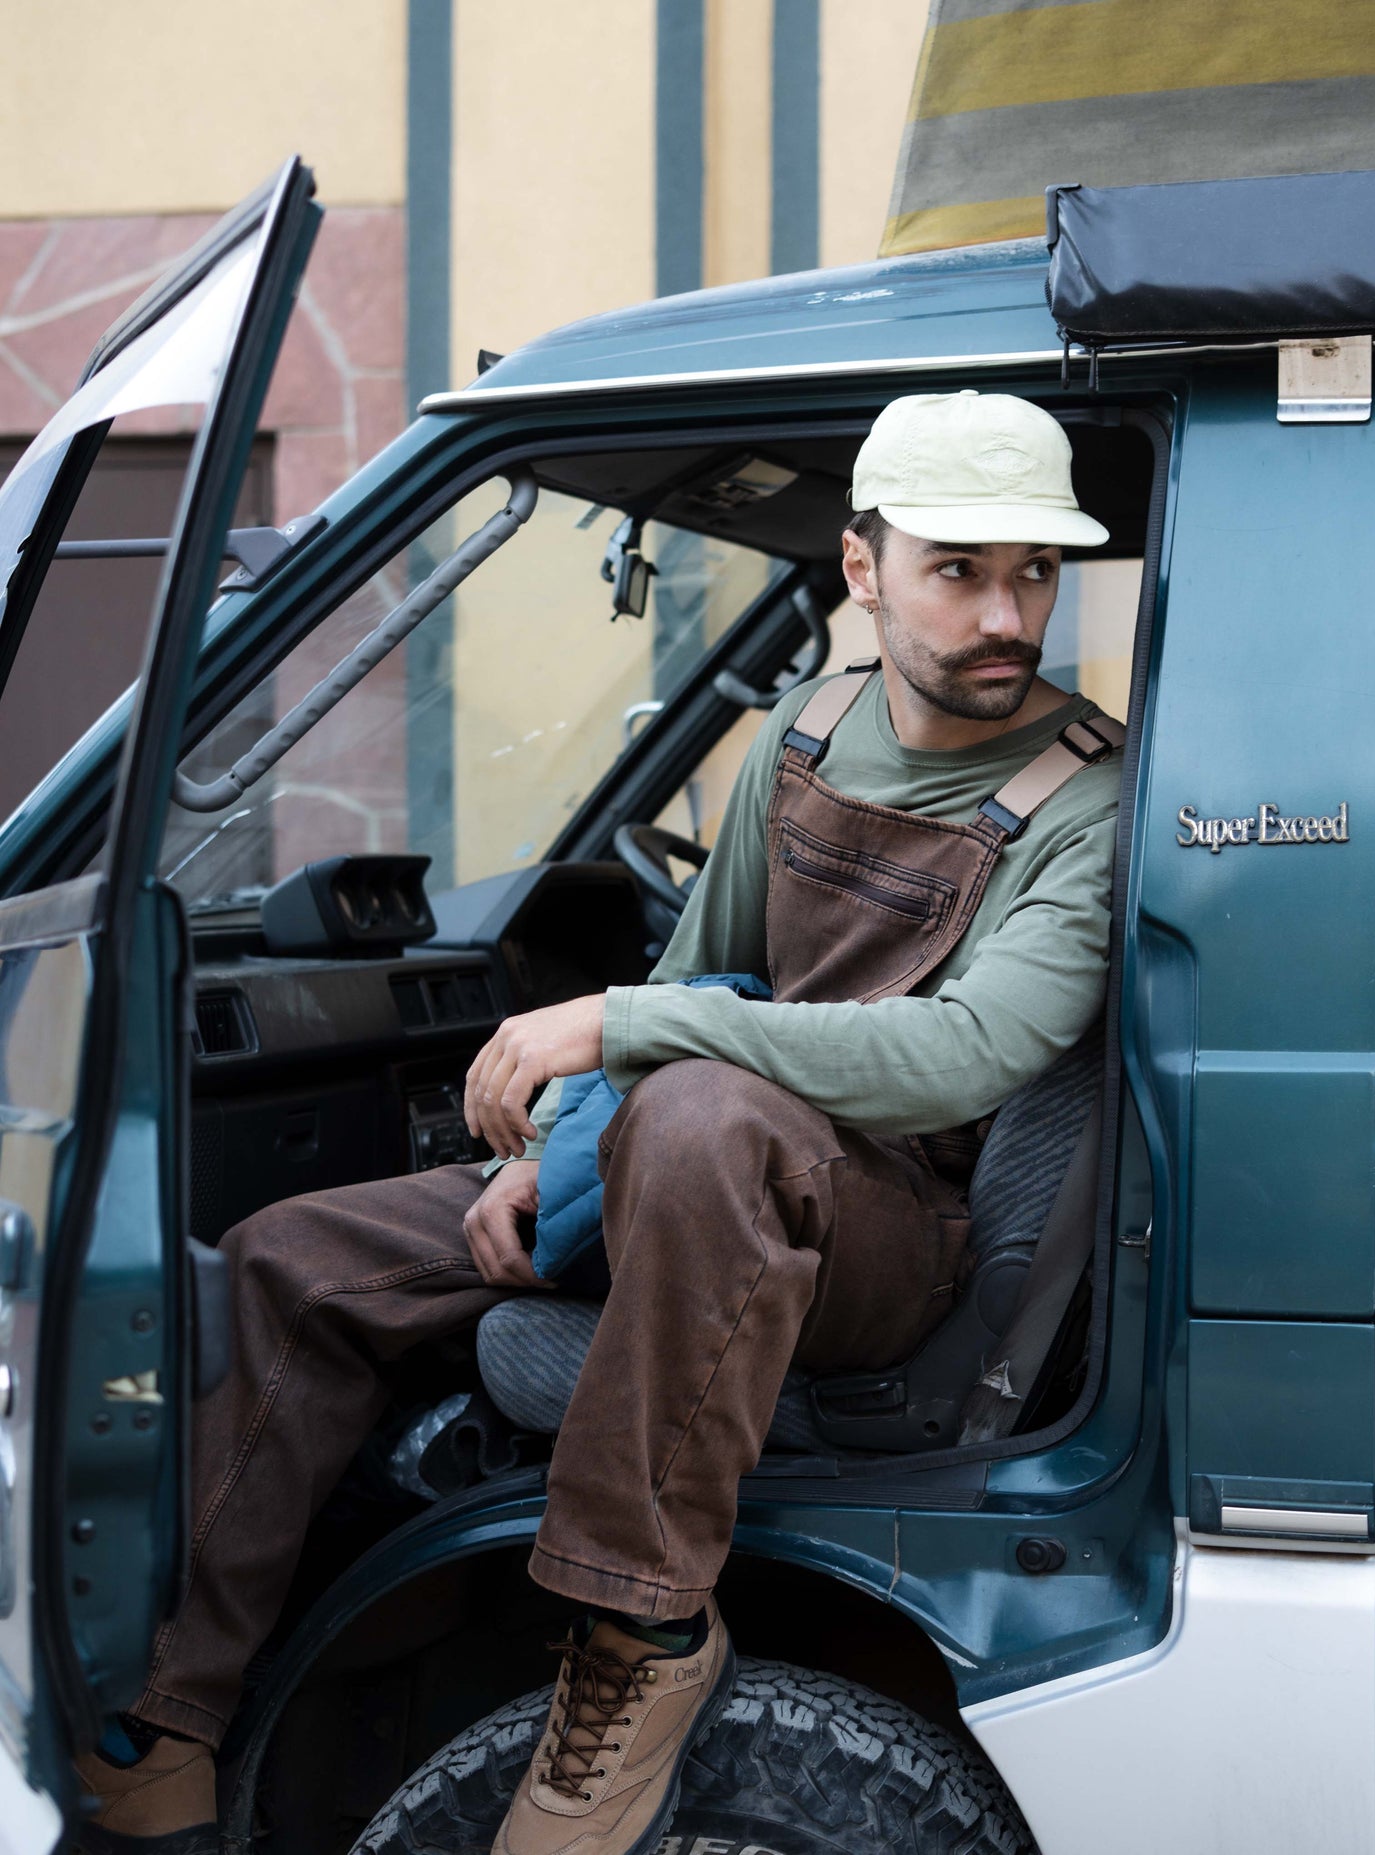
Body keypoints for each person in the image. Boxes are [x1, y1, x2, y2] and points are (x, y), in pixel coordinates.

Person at [75, 391, 1121, 1855]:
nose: (1009, 612)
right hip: (693, 1165)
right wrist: (547, 1156)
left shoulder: (1085, 797)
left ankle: (633, 1644)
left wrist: (613, 1032)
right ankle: (172, 1726)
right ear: (864, 568)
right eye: (962, 569)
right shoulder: (808, 730)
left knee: (698, 1107)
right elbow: (701, 972)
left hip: (888, 1232)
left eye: (1035, 572)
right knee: (288, 1261)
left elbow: (962, 1056)